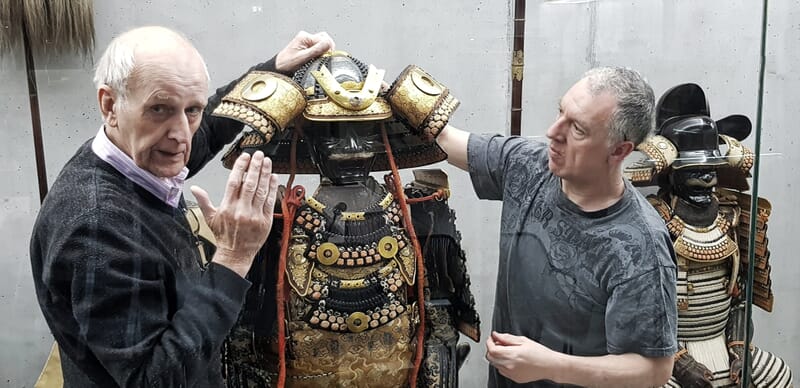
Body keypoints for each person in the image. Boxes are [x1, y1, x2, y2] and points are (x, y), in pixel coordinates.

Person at [28, 26, 333, 387]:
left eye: (192, 110)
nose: (181, 135)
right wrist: (234, 257)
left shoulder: (124, 155)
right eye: (159, 109)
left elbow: (203, 134)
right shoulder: (98, 227)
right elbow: (154, 380)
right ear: (110, 105)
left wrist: (273, 70)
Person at [208, 51, 481, 387]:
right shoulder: (274, 224)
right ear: (305, 137)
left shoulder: (420, 209)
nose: (353, 149)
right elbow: (245, 344)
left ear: (382, 136)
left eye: (365, 132)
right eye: (332, 132)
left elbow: (439, 325)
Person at [434, 67, 678, 387]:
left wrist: (551, 366)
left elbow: (654, 370)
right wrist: (364, 87)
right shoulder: (529, 164)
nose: (553, 131)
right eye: (560, 111)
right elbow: (443, 137)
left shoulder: (639, 245)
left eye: (577, 128)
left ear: (619, 150)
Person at [625, 83, 793, 387]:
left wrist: (739, 350)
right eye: (693, 170)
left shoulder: (732, 217)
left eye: (710, 169)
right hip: (668, 353)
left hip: (723, 347)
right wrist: (678, 360)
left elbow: (739, 298)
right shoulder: (650, 222)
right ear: (673, 172)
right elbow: (637, 307)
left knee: (778, 373)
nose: (705, 178)